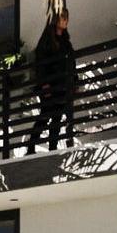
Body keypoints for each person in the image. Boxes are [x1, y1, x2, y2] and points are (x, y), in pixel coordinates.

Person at [28, 10, 76, 153]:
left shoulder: (65, 42)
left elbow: (71, 63)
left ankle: (52, 148)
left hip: (62, 85)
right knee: (45, 115)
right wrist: (44, 84)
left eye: (67, 18)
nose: (66, 21)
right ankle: (31, 146)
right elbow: (40, 63)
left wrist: (74, 81)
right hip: (50, 85)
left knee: (57, 117)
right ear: (56, 20)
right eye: (63, 18)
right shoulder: (47, 41)